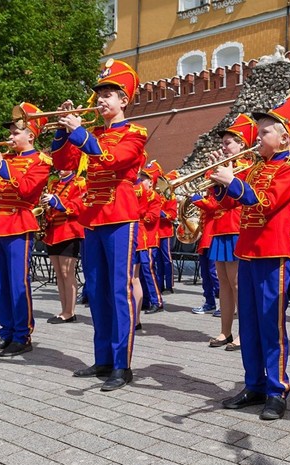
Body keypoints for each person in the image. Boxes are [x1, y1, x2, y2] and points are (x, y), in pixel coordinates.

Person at [211, 93, 290, 421]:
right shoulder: (254, 168)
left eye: (265, 132)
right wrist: (220, 180)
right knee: (252, 325)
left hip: (273, 254)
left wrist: (233, 183)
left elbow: (265, 202)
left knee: (272, 326)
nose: (258, 137)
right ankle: (254, 384)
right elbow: (228, 205)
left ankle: (277, 389)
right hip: (248, 252)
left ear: (285, 137)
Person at [52, 59, 146, 391]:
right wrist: (62, 131)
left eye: (109, 94)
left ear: (124, 100)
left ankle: (122, 365)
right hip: (92, 218)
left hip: (120, 217)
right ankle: (103, 357)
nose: (102, 99)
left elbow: (113, 161)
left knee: (120, 291)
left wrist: (79, 133)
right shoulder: (89, 134)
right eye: (100, 94)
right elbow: (61, 163)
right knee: (97, 289)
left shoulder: (135, 134)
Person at [0, 102, 52, 357]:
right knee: (0, 283)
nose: (10, 137)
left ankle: (22, 334)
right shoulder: (3, 159)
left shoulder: (40, 160)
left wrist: (1, 164)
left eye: (16, 132)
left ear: (31, 134)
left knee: (18, 283)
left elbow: (27, 189)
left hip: (19, 222)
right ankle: (6, 332)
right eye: (10, 132)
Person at [198, 114, 257, 350]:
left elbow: (234, 200)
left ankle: (244, 332)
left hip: (236, 228)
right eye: (223, 143)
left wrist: (224, 176)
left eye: (228, 142)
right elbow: (215, 200)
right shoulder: (225, 168)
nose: (224, 146)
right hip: (221, 229)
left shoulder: (246, 168)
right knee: (223, 282)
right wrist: (213, 173)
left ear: (242, 144)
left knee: (236, 283)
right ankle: (225, 331)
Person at [41, 169, 87, 324]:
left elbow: (80, 207)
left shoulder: (79, 182)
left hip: (69, 231)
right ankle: (63, 310)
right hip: (52, 232)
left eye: (64, 165)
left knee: (68, 272)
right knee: (59, 273)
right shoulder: (53, 183)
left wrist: (56, 202)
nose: (60, 169)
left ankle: (70, 312)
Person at [136, 162, 164, 316]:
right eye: (141, 178)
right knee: (139, 272)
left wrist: (137, 215)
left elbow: (152, 217)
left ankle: (157, 300)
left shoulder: (155, 196)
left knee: (148, 270)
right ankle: (145, 300)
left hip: (150, 239)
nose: (142, 181)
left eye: (145, 179)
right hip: (141, 238)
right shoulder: (141, 194)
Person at [156, 166, 177, 294]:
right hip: (154, 231)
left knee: (166, 259)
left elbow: (173, 215)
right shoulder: (155, 193)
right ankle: (159, 284)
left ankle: (169, 285)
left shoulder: (170, 196)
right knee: (157, 260)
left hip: (165, 231)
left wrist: (162, 214)